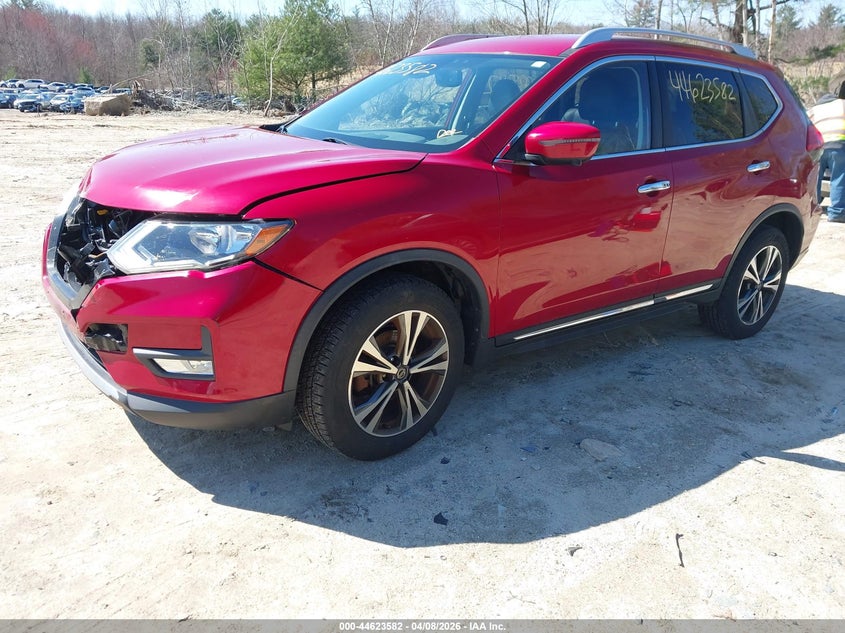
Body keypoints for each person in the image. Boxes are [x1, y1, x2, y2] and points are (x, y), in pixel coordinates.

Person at [808, 81, 845, 223]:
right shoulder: (843, 105)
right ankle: (837, 213)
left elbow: (805, 123)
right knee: (839, 178)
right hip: (839, 145)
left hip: (817, 145)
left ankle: (812, 209)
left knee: (815, 178)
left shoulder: (817, 108)